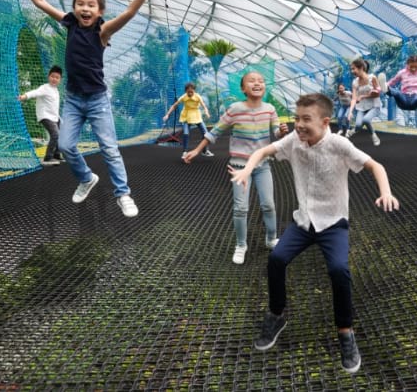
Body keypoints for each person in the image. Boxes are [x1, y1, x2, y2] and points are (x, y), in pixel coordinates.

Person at [229, 93, 399, 374]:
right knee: (276, 259)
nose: (299, 124)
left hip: (333, 223)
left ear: (324, 121)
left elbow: (375, 166)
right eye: (296, 118)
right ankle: (277, 314)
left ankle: (346, 332)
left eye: (306, 119)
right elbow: (263, 152)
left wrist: (386, 192)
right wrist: (248, 168)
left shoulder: (339, 145)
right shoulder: (293, 141)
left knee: (338, 269)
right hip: (304, 222)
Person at [0, 0, 159, 217]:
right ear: (74, 9)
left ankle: (123, 193)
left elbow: (129, 12)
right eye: (80, 4)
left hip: (97, 101)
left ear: (99, 12)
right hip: (73, 100)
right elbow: (40, 1)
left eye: (91, 5)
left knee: (109, 148)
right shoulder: (69, 24)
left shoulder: (103, 32)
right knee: (67, 146)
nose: (84, 8)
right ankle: (86, 178)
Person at [184, 71, 289, 264]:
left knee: (269, 204)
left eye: (261, 80)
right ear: (243, 88)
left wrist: (281, 132)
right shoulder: (235, 109)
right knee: (241, 208)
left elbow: (276, 132)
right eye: (252, 81)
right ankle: (241, 245)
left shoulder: (270, 109)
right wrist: (197, 150)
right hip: (239, 167)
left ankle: (271, 239)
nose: (257, 83)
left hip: (262, 165)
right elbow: (215, 132)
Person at [18, 65, 63, 166]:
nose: (54, 79)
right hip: (45, 116)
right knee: (55, 134)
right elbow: (35, 92)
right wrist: (25, 96)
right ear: (48, 76)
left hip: (55, 117)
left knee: (61, 135)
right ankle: (48, 157)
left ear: (60, 79)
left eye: (57, 77)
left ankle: (56, 154)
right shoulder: (45, 88)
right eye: (52, 76)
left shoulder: (56, 91)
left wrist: (58, 117)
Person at [163, 82, 214, 159]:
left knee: (205, 133)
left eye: (191, 92)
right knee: (186, 133)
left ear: (194, 91)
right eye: (188, 92)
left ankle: (205, 151)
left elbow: (204, 106)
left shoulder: (198, 97)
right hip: (186, 116)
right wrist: (167, 114)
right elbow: (174, 106)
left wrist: (206, 112)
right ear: (185, 91)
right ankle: (185, 152)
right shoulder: (183, 97)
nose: (190, 93)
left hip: (196, 115)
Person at [348, 58, 382, 146]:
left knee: (366, 120)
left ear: (361, 68)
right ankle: (355, 129)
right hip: (362, 108)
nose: (352, 71)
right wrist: (350, 112)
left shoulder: (372, 78)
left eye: (353, 68)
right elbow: (354, 98)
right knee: (358, 125)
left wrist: (363, 96)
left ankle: (373, 136)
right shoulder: (355, 82)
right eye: (351, 69)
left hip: (374, 106)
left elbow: (377, 94)